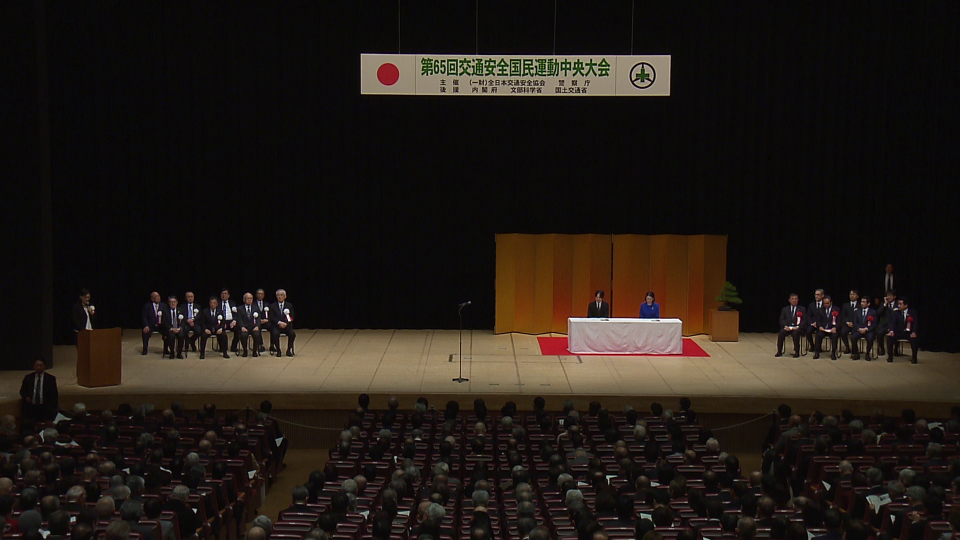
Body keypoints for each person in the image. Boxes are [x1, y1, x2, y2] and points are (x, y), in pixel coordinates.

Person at [20, 360, 59, 425]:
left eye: (40, 365)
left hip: (45, 408)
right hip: (31, 408)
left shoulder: (50, 378)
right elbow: (22, 391)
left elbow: (54, 395)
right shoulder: (28, 378)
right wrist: (26, 397)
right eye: (37, 365)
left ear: (44, 366)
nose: (39, 367)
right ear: (34, 367)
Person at [885, 297, 918, 364]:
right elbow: (892, 323)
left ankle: (914, 357)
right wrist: (891, 331)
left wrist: (914, 332)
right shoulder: (896, 313)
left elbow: (915, 323)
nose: (898, 306)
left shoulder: (913, 312)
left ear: (906, 305)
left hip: (908, 332)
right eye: (898, 304)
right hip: (898, 332)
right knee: (890, 338)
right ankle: (890, 356)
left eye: (900, 304)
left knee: (914, 339)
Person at [269, 289, 296, 357]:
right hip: (276, 326)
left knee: (292, 334)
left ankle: (289, 350)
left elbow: (292, 316)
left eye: (281, 295)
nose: (279, 297)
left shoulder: (289, 305)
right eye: (278, 295)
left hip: (286, 326)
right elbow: (271, 317)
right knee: (274, 334)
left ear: (285, 296)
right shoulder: (272, 306)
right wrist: (279, 323)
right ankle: (278, 350)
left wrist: (285, 323)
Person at [850, 296, 878, 361]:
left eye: (864, 302)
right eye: (861, 302)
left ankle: (867, 354)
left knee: (870, 338)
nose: (862, 303)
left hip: (868, 331)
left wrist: (866, 329)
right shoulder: (857, 311)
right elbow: (855, 322)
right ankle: (856, 354)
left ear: (868, 304)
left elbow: (875, 324)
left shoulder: (873, 312)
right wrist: (859, 329)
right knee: (853, 337)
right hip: (859, 330)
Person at [236, 293, 263, 358]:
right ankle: (245, 351)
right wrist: (242, 327)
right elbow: (239, 319)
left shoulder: (255, 308)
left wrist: (257, 326)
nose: (249, 300)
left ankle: (254, 351)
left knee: (257, 334)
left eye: (251, 298)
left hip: (253, 327)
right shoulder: (240, 308)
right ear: (244, 300)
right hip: (244, 327)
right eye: (248, 298)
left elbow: (259, 318)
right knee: (243, 335)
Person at [814, 296, 840, 360]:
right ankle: (817, 352)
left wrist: (835, 328)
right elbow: (818, 320)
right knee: (818, 335)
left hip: (832, 329)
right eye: (824, 303)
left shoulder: (836, 309)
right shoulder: (820, 310)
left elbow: (839, 321)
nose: (826, 305)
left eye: (827, 303)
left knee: (834, 336)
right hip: (823, 329)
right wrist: (820, 327)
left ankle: (833, 353)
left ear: (831, 302)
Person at [219, 289, 242, 353]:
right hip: (222, 321)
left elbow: (236, 313)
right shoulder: (218, 303)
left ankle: (234, 347)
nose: (224, 295)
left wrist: (234, 320)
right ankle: (223, 348)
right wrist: (222, 323)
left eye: (225, 294)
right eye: (222, 294)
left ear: (228, 295)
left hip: (231, 321)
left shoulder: (232, 303)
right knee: (221, 331)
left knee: (238, 329)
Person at [877, 290, 897, 356]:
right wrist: (885, 304)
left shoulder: (898, 304)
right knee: (879, 333)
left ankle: (896, 349)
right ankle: (882, 349)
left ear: (894, 297)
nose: (888, 297)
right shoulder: (883, 304)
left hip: (894, 325)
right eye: (887, 295)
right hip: (884, 326)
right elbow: (878, 313)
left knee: (896, 333)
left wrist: (891, 328)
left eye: (890, 295)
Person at [839, 290, 859, 354]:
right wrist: (847, 322)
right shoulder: (845, 305)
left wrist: (854, 323)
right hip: (847, 324)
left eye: (853, 294)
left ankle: (854, 349)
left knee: (854, 334)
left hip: (856, 325)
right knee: (843, 332)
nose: (852, 296)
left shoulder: (860, 305)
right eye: (850, 294)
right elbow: (843, 316)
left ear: (857, 296)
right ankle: (847, 347)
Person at [254, 289, 270, 353]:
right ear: (256, 295)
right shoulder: (253, 304)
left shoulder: (267, 304)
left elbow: (271, 315)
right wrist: (258, 321)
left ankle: (272, 345)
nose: (260, 295)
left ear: (264, 295)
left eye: (261, 294)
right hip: (256, 322)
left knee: (273, 328)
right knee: (258, 328)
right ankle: (261, 345)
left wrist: (267, 320)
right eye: (258, 294)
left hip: (266, 322)